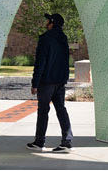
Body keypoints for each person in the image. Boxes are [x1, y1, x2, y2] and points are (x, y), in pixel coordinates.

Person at [27, 13, 73, 154]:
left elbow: (40, 63)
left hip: (46, 82)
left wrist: (35, 83)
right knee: (61, 109)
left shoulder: (45, 38)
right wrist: (64, 79)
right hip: (60, 82)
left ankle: (39, 142)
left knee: (43, 111)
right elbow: (66, 62)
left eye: (48, 20)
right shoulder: (63, 38)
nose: (46, 22)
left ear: (52, 22)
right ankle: (67, 142)